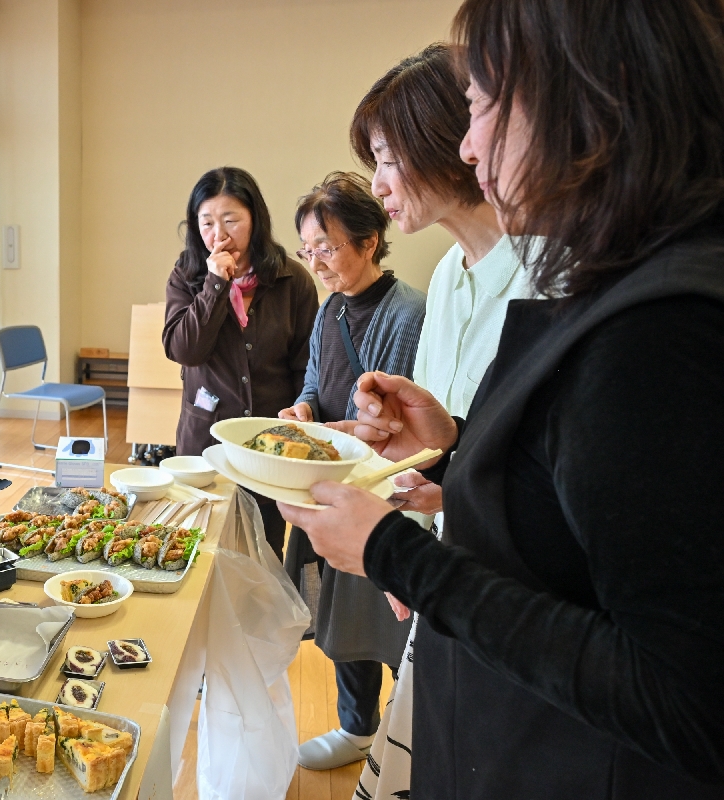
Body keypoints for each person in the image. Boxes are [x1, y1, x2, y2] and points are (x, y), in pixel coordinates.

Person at [279, 0, 724, 796]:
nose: (468, 143)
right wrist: (456, 444)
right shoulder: (626, 282)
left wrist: (395, 554)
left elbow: (681, 694)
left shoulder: (661, 325)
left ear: (583, 98)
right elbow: (576, 503)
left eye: (482, 107)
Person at [340, 43, 534, 797]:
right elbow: (442, 443)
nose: (379, 184)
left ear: (454, 138)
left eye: (389, 159)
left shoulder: (550, 274)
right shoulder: (450, 274)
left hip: (512, 588)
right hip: (449, 563)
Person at [278, 172, 425, 771]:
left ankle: (402, 736)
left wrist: (321, 434)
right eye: (307, 249)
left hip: (384, 489)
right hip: (335, 479)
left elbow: (386, 421)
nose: (315, 262)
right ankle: (357, 727)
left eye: (327, 247)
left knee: (388, 615)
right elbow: (315, 382)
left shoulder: (406, 311)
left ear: (369, 242)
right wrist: (303, 410)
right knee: (341, 608)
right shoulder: (331, 308)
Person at [163, 166, 318, 559]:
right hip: (206, 441)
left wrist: (302, 419)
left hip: (269, 444)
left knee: (264, 554)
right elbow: (185, 350)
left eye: (231, 220)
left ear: (255, 219)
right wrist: (215, 284)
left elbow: (307, 366)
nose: (219, 234)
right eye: (207, 222)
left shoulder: (292, 280)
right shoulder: (186, 276)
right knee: (200, 554)